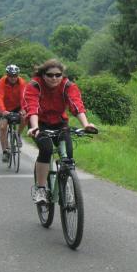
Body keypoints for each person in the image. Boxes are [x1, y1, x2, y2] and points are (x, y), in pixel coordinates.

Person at [24, 59, 96, 204]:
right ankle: (41, 189)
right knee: (46, 150)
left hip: (60, 123)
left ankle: (65, 186)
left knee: (68, 155)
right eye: (50, 75)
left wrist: (86, 124)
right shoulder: (35, 85)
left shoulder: (67, 85)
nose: (54, 78)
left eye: (58, 75)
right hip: (39, 123)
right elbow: (32, 107)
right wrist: (35, 127)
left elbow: (76, 105)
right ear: (43, 75)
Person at [0, 64, 26, 163]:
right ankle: (5, 151)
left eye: (15, 75)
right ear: (7, 75)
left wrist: (23, 109)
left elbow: (23, 97)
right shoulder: (2, 81)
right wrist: (3, 110)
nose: (13, 78)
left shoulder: (22, 82)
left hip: (17, 106)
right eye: (10, 76)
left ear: (18, 75)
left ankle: (18, 134)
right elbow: (0, 97)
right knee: (3, 127)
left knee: (25, 117)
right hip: (5, 107)